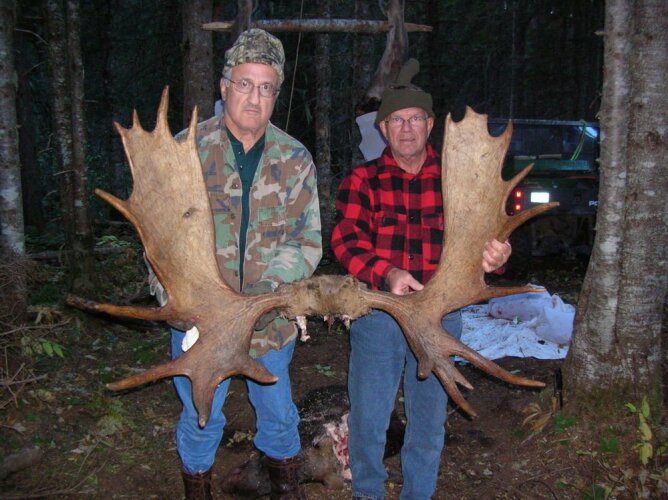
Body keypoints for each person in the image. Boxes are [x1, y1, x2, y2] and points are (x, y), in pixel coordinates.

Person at [331, 59, 510, 500]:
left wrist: (497, 256)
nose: (406, 128)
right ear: (383, 129)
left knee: (429, 422)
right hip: (378, 314)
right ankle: (367, 493)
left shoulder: (458, 182)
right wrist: (387, 273)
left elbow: (486, 242)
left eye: (415, 119)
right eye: (396, 120)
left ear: (431, 125)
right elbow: (346, 241)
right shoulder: (362, 180)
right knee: (369, 419)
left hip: (441, 316)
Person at [166, 29, 322, 499]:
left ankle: (285, 490)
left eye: (266, 88)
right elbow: (159, 242)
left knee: (278, 416)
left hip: (268, 323)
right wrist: (174, 298)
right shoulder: (184, 151)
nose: (254, 98)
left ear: (276, 94)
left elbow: (306, 241)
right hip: (200, 324)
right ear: (224, 86)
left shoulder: (295, 158)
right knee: (201, 416)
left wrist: (267, 293)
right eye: (245, 84)